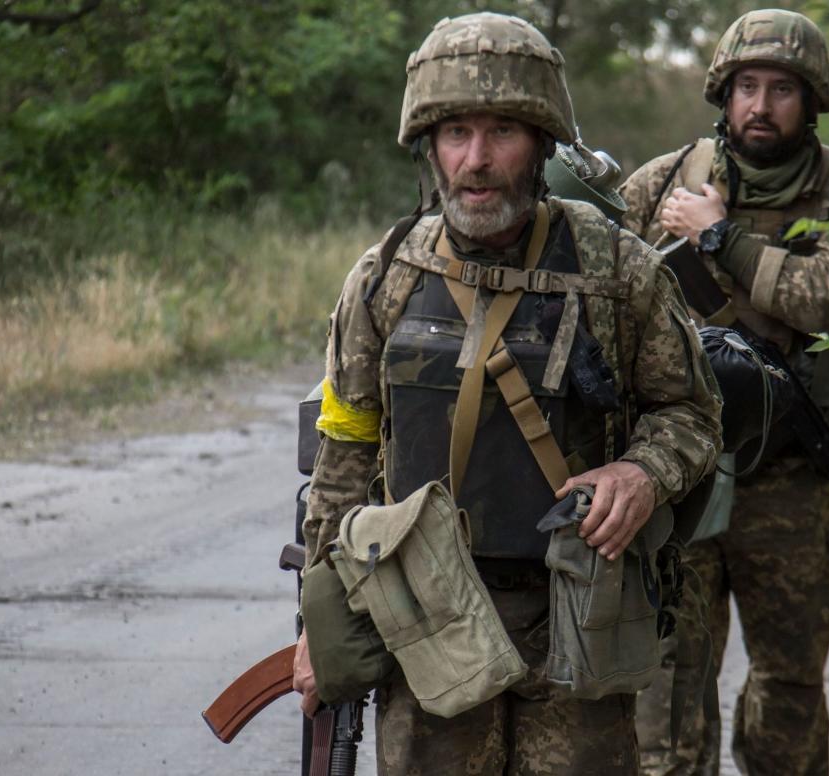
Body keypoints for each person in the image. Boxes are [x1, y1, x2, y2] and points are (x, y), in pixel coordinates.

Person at [290, 13, 722, 775]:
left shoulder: (616, 270)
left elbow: (690, 415)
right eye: (455, 132)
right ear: (428, 144)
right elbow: (346, 450)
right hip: (426, 625)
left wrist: (641, 473)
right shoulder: (385, 275)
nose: (477, 160)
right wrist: (315, 624)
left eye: (502, 133)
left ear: (543, 142)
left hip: (578, 619)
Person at [619, 9, 829, 775]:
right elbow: (609, 300)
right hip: (683, 473)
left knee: (789, 685)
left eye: (779, 89)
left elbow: (826, 295)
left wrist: (719, 236)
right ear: (722, 93)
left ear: (811, 100)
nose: (759, 106)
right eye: (745, 87)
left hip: (793, 480)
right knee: (669, 689)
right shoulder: (661, 183)